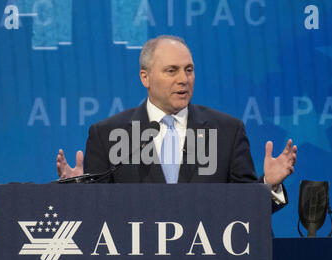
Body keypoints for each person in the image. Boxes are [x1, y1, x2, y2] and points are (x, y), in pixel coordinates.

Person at [56, 35, 297, 212]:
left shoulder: (226, 131)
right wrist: (78, 196)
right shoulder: (107, 134)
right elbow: (97, 216)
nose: (183, 79)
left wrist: (268, 184)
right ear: (145, 77)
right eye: (171, 71)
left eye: (188, 70)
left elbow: (246, 210)